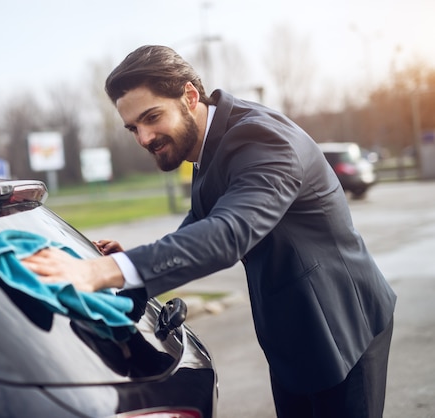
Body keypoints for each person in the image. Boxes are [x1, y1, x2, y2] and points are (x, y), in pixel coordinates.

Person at [22, 45, 397, 418]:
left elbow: (229, 232)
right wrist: (128, 264)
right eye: (133, 127)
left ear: (188, 96)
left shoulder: (263, 141)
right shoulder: (208, 141)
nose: (144, 138)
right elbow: (201, 221)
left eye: (152, 117)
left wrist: (100, 271)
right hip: (294, 336)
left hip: (343, 326)